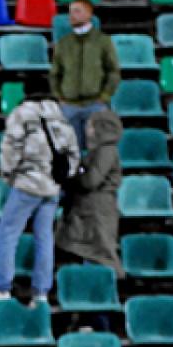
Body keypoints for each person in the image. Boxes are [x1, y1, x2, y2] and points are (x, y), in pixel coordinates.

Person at [0, 98, 79, 306]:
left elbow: (10, 147)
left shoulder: (22, 114)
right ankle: (40, 293)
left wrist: (9, 175)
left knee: (7, 234)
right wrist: (62, 178)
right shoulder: (60, 117)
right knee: (45, 238)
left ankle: (1, 287)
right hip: (52, 187)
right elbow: (72, 154)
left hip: (27, 185)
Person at [54, 110, 124, 276]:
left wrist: (73, 177)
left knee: (102, 252)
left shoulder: (106, 151)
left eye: (90, 126)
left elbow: (90, 180)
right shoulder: (99, 151)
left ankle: (114, 286)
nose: (87, 131)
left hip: (96, 212)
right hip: (87, 211)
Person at [49, 0, 119, 151]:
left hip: (95, 104)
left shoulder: (103, 42)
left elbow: (113, 71)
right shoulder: (63, 43)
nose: (72, 15)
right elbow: (55, 73)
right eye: (70, 12)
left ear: (89, 14)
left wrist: (105, 96)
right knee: (69, 151)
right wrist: (59, 96)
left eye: (77, 11)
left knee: (98, 151)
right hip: (69, 105)